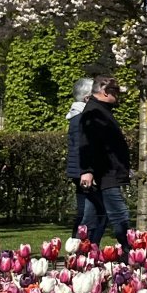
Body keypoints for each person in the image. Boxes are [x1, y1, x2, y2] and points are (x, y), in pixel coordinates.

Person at [76, 76, 132, 244]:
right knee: (119, 214)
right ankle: (131, 253)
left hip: (106, 170)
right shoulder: (94, 112)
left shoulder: (101, 110)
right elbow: (87, 142)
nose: (119, 96)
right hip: (105, 172)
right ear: (105, 92)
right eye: (116, 92)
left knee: (93, 217)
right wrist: (87, 170)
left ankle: (84, 253)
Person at [63, 77, 96, 233]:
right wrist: (87, 171)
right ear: (87, 98)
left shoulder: (78, 117)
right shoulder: (82, 119)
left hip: (80, 171)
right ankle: (80, 246)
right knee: (88, 214)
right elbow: (82, 148)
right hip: (83, 172)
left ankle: (77, 245)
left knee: (85, 212)